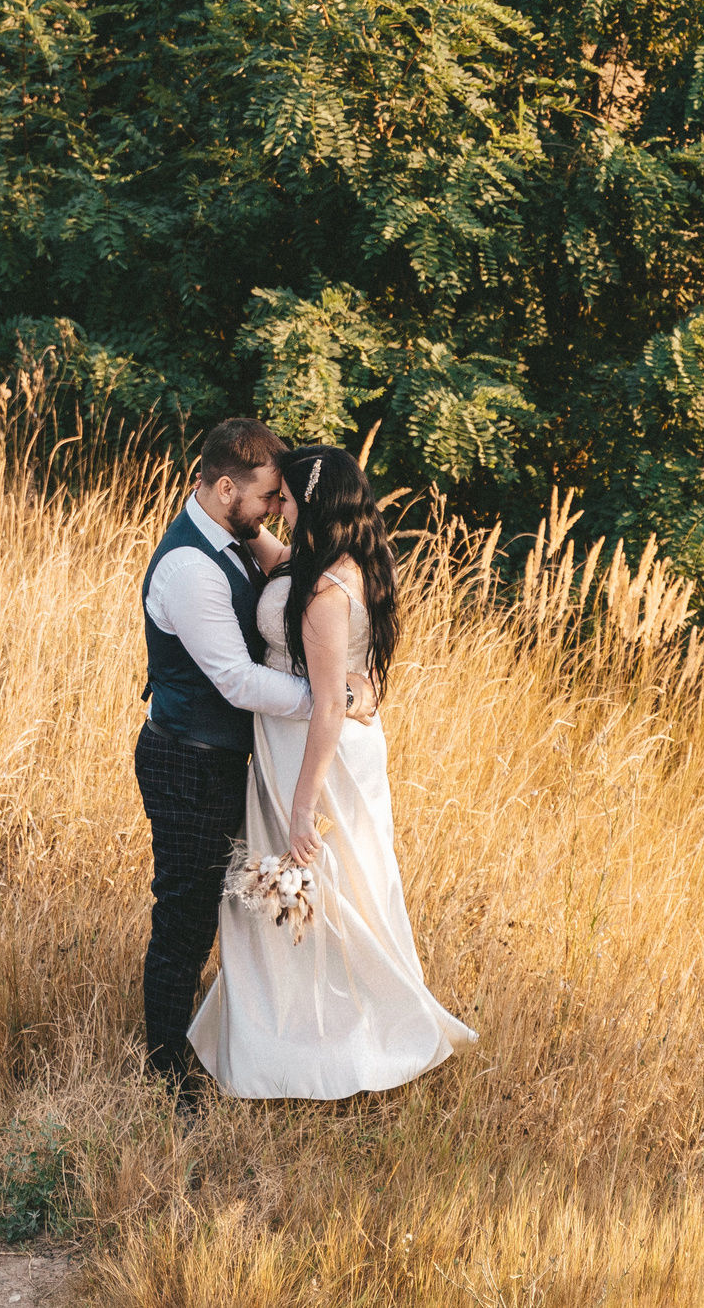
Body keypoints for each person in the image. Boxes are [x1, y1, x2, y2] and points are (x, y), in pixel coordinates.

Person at [187, 442, 476, 1099]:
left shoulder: (321, 591)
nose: (276, 507)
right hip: (311, 748)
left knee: (320, 894)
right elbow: (271, 551)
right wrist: (224, 504)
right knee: (311, 895)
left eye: (284, 497)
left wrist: (299, 805)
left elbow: (324, 706)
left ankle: (328, 1048)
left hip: (317, 760)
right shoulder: (328, 564)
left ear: (311, 504)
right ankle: (294, 1037)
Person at [134, 418, 370, 1103]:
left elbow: (301, 575)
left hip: (221, 757)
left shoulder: (231, 534)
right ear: (226, 487)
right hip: (187, 759)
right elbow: (236, 682)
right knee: (185, 913)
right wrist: (331, 696)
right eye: (268, 496)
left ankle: (250, 1043)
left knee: (237, 907)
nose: (274, 510)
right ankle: (165, 1071)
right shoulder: (187, 567)